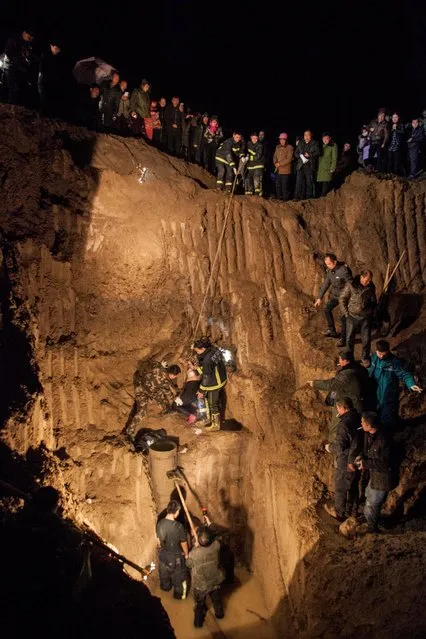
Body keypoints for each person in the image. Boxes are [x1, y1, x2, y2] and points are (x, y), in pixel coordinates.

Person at [309, 351, 369, 442]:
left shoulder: (347, 374)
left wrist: (314, 383)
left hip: (348, 403)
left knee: (337, 426)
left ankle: (333, 445)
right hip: (358, 401)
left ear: (346, 361)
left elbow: (332, 384)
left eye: (340, 359)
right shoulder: (360, 368)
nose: (339, 361)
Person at [350, 412, 392, 533]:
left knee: (372, 503)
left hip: (382, 478)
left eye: (363, 422)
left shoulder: (384, 440)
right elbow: (367, 451)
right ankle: (372, 520)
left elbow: (385, 464)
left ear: (370, 426)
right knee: (369, 495)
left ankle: (372, 529)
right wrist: (360, 457)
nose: (361, 423)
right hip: (374, 476)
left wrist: (365, 464)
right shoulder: (369, 435)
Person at [368, 340, 422, 431]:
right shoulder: (373, 358)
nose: (381, 356)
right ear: (376, 350)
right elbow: (369, 372)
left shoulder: (394, 362)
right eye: (379, 353)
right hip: (376, 390)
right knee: (376, 412)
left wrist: (411, 384)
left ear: (388, 351)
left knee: (388, 415)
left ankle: (389, 434)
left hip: (389, 393)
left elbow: (404, 374)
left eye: (384, 354)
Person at [324, 397, 361, 521]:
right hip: (356, 457)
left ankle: (339, 514)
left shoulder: (344, 424)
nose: (337, 411)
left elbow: (340, 447)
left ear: (343, 408)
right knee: (354, 485)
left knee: (341, 486)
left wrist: (329, 447)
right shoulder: (358, 417)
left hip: (345, 459)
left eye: (338, 408)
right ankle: (354, 512)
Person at [126, 361, 181, 441]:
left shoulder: (159, 367)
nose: (175, 378)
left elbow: (153, 364)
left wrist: (161, 364)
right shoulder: (164, 380)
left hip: (148, 387)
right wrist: (175, 398)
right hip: (142, 391)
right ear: (172, 374)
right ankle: (129, 432)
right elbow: (168, 392)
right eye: (175, 376)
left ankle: (166, 410)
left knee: (160, 394)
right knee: (142, 412)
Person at [187, 525, 225, 628]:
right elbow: (215, 540)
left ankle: (198, 624)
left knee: (199, 606)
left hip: (201, 585)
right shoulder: (217, 545)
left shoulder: (194, 553)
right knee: (217, 600)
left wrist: (195, 547)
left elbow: (189, 564)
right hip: (215, 581)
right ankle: (220, 615)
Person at [340, 270, 377, 366]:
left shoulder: (371, 287)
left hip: (365, 317)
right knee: (349, 339)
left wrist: (372, 308)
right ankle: (349, 359)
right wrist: (346, 314)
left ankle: (365, 357)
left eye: (370, 280)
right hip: (352, 316)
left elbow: (373, 299)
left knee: (366, 338)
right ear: (361, 277)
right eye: (367, 280)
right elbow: (342, 298)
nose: (369, 282)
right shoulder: (351, 285)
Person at [314, 253, 352, 344]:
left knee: (343, 318)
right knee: (327, 309)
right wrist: (319, 297)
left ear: (335, 262)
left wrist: (350, 299)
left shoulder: (343, 270)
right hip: (335, 296)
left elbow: (351, 285)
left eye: (329, 264)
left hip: (345, 297)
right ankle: (332, 331)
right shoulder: (330, 271)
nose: (328, 266)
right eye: (326, 264)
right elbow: (326, 284)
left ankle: (343, 339)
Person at [156, 500, 190, 600]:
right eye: (178, 511)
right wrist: (187, 555)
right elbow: (184, 543)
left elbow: (158, 541)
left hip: (163, 557)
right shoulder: (179, 526)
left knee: (164, 579)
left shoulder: (159, 523)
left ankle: (165, 589)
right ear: (177, 511)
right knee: (180, 581)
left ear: (167, 510)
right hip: (176, 559)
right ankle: (178, 596)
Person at [192, 338, 227, 431]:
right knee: (208, 400)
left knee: (212, 404)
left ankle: (216, 425)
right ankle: (207, 419)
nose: (197, 353)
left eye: (197, 351)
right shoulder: (214, 349)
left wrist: (201, 390)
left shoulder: (207, 359)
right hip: (221, 376)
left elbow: (207, 377)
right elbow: (211, 365)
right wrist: (198, 370)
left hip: (214, 382)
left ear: (203, 348)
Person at [4, 28, 37, 106]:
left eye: (32, 37)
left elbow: (28, 55)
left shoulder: (27, 43)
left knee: (19, 88)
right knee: (13, 88)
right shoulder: (13, 40)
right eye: (30, 36)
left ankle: (16, 105)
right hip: (10, 67)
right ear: (24, 33)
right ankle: (11, 106)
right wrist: (20, 63)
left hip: (20, 68)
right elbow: (9, 54)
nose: (31, 39)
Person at [37, 40, 64, 117]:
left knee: (50, 99)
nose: (57, 51)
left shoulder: (58, 57)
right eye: (56, 48)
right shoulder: (45, 55)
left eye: (59, 49)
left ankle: (48, 115)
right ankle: (41, 115)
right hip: (43, 80)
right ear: (51, 46)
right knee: (43, 98)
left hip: (52, 81)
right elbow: (41, 69)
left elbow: (59, 70)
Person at [294, 130, 320, 200]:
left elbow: (318, 153)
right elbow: (296, 153)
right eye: (305, 135)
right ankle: (296, 197)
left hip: (309, 165)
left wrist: (310, 155)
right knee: (298, 182)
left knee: (309, 182)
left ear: (311, 136)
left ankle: (309, 197)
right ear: (304, 136)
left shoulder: (314, 143)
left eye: (308, 135)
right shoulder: (300, 143)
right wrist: (300, 156)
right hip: (301, 166)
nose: (307, 137)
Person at [273, 132, 294, 201]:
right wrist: (275, 162)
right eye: (280, 139)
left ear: (286, 140)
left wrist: (280, 163)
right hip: (278, 170)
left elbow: (289, 159)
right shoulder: (277, 147)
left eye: (283, 139)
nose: (282, 141)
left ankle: (285, 201)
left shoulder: (290, 147)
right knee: (278, 186)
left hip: (285, 171)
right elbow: (274, 156)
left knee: (285, 187)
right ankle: (279, 199)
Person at [316, 133, 338, 197]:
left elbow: (334, 158)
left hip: (327, 169)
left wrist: (332, 168)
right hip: (320, 169)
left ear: (330, 138)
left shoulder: (333, 146)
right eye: (323, 138)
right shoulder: (322, 146)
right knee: (319, 188)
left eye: (327, 138)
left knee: (325, 190)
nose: (325, 140)